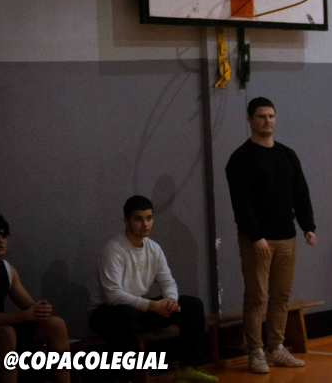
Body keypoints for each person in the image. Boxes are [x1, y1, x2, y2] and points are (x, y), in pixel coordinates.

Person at [225, 97, 316, 373]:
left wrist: (308, 226)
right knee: (256, 296)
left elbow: (300, 193)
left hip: (286, 236)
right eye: (262, 116)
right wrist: (256, 236)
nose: (268, 121)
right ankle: (256, 351)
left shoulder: (287, 155)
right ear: (250, 120)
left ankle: (276, 348)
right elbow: (241, 204)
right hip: (258, 240)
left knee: (281, 296)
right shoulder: (241, 158)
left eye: (271, 116)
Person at [89, 197, 216, 383]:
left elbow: (168, 281)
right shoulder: (114, 250)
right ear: (126, 221)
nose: (145, 224)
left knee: (192, 306)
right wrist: (154, 306)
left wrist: (171, 300)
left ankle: (187, 369)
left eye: (149, 218)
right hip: (105, 314)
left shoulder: (153, 248)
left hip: (138, 309)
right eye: (138, 219)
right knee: (127, 315)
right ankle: (125, 379)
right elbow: (113, 295)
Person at [0, 215, 71, 383]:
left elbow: (28, 306)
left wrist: (41, 309)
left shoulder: (7, 269)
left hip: (2, 330)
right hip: (0, 332)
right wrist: (25, 315)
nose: (0, 240)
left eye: (3, 235)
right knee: (7, 333)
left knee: (56, 324)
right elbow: (25, 314)